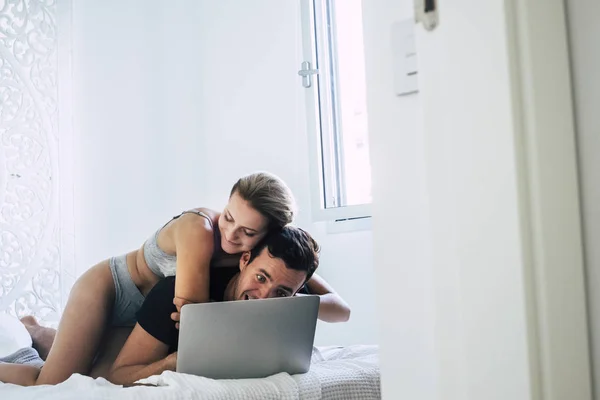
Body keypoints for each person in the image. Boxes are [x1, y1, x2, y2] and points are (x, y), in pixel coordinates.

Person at [0, 171, 349, 386]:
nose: (229, 234)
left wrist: (285, 301)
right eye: (228, 217)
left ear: (266, 237)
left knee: (90, 365)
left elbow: (340, 309)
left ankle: (36, 331)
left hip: (151, 312)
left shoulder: (271, 261)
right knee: (51, 383)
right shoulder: (202, 231)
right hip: (113, 289)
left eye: (247, 232)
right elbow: (191, 318)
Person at [108, 226, 325, 385]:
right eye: (260, 278)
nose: (265, 298)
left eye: (282, 293)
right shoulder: (175, 294)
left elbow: (341, 310)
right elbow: (118, 376)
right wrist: (170, 363)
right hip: (114, 288)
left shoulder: (290, 299)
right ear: (244, 260)